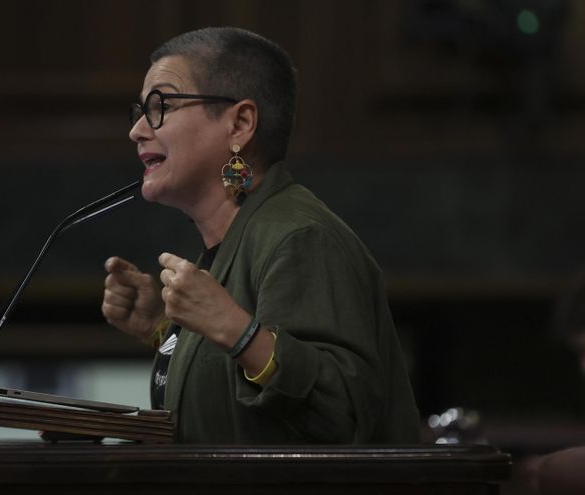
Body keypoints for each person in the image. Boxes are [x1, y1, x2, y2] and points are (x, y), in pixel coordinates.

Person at [100, 27, 420, 444]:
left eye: (161, 105)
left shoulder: (301, 238)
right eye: (139, 111)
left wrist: (237, 330)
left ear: (241, 123)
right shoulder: (237, 237)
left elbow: (344, 414)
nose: (138, 130)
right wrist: (164, 329)